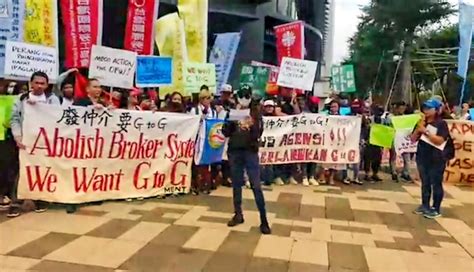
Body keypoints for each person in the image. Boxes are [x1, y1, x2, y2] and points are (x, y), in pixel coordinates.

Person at [7, 72, 61, 217]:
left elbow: (58, 117)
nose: (39, 86)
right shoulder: (21, 99)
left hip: (45, 142)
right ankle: (16, 202)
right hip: (26, 142)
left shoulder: (52, 99)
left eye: (42, 83)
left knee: (43, 170)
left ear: (47, 85)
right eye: (36, 83)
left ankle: (40, 199)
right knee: (23, 170)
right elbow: (15, 119)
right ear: (31, 83)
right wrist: (18, 137)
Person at [223, 99, 271, 235]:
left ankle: (264, 219)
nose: (243, 99)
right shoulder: (232, 112)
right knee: (237, 184)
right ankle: (238, 214)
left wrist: (251, 125)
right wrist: (232, 122)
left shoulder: (256, 114)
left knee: (256, 185)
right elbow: (225, 132)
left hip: (250, 153)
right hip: (235, 152)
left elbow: (259, 133)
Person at [411, 99, 450, 219]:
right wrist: (419, 129)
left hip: (437, 158)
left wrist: (426, 132)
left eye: (429, 108)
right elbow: (412, 139)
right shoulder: (421, 122)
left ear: (436, 110)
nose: (426, 111)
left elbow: (440, 140)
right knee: (425, 182)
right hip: (422, 157)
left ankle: (436, 208)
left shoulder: (441, 123)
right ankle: (425, 205)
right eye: (425, 108)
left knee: (436, 183)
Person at [189, 88, 217, 195]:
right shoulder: (195, 110)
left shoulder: (213, 111)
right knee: (196, 162)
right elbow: (191, 125)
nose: (207, 100)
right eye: (205, 98)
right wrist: (200, 119)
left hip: (209, 140)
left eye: (209, 98)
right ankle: (196, 184)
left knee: (207, 162)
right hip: (197, 139)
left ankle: (206, 184)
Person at [386, 101, 412, 182]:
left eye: (403, 109)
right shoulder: (390, 116)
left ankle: (406, 173)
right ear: (396, 108)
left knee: (407, 157)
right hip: (394, 138)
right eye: (400, 108)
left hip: (404, 139)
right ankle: (393, 172)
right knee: (393, 156)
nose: (402, 110)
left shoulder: (406, 117)